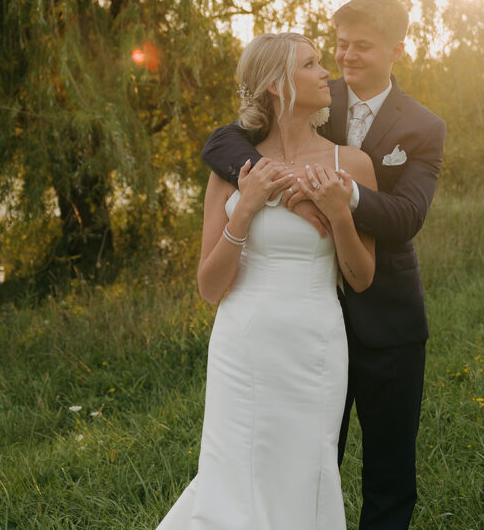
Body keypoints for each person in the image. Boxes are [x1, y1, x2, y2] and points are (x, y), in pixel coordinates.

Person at [202, 0, 446, 530]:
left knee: (389, 474)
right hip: (298, 327)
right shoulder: (310, 95)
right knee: (306, 463)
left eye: (362, 46)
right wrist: (288, 190)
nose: (346, 57)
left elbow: (406, 216)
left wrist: (344, 201)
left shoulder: (423, 127)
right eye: (339, 45)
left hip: (387, 317)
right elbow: (222, 143)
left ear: (396, 49)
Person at [156, 32, 377, 530]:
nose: (328, 72)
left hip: (315, 342)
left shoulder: (352, 164)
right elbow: (210, 289)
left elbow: (361, 279)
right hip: (243, 343)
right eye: (312, 64)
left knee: (308, 469)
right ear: (278, 85)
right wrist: (247, 209)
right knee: (235, 470)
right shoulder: (229, 173)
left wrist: (341, 215)